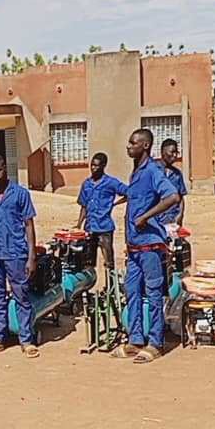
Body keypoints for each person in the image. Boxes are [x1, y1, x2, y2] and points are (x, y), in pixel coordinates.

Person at [111, 129, 179, 364]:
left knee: (152, 293)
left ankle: (155, 343)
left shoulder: (152, 171)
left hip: (150, 246)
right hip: (134, 248)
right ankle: (136, 339)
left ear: (146, 145)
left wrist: (145, 217)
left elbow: (172, 197)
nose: (128, 147)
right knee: (132, 292)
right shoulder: (136, 173)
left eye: (133, 143)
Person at [0, 154, 39, 359]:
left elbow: (29, 225)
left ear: (6, 169)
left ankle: (26, 340)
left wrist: (32, 256)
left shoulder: (21, 194)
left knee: (21, 296)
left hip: (16, 253)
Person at [75, 152, 128, 269]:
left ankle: (110, 286)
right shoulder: (86, 184)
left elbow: (129, 193)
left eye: (96, 165)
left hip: (104, 227)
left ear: (103, 166)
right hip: (90, 228)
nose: (93, 168)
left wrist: (114, 204)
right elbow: (84, 206)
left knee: (109, 262)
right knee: (88, 262)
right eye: (92, 165)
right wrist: (79, 224)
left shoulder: (111, 182)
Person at [157, 139, 187, 227]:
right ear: (163, 152)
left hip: (172, 218)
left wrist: (180, 215)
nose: (174, 156)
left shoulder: (177, 174)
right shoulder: (154, 171)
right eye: (172, 152)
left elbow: (181, 197)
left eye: (176, 153)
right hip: (156, 218)